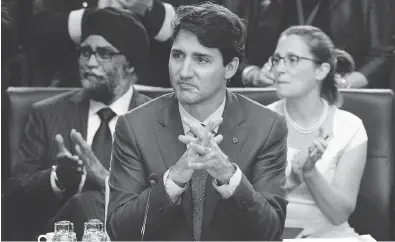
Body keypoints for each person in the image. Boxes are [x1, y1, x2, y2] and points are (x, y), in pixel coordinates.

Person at [106, 2, 288, 241]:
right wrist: (174, 179)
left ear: (230, 67)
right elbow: (119, 231)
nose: (184, 72)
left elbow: (271, 232)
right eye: (178, 55)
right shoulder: (134, 126)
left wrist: (228, 175)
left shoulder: (267, 126)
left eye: (201, 60)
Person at [4, 8, 152, 240]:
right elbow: (14, 195)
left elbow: (169, 198)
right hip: (59, 234)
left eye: (104, 54)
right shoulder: (47, 113)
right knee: (86, 205)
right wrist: (57, 177)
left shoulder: (156, 118)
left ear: (130, 65)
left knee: (92, 202)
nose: (90, 63)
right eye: (85, 52)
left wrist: (106, 181)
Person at [267, 25, 368, 238]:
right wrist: (293, 179)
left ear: (321, 70)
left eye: (292, 59)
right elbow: (248, 209)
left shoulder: (350, 127)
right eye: (276, 59)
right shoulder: (258, 121)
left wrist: (310, 173)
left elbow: (339, 214)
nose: (279, 69)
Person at [234, 0, 394, 89]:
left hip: (339, 93)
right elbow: (228, 47)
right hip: (275, 91)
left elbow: (383, 54)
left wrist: (347, 83)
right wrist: (252, 74)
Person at [29, 0, 175, 87]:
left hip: (153, 86)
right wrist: (97, 17)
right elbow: (38, 27)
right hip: (78, 85)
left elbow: (192, 24)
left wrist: (150, 8)